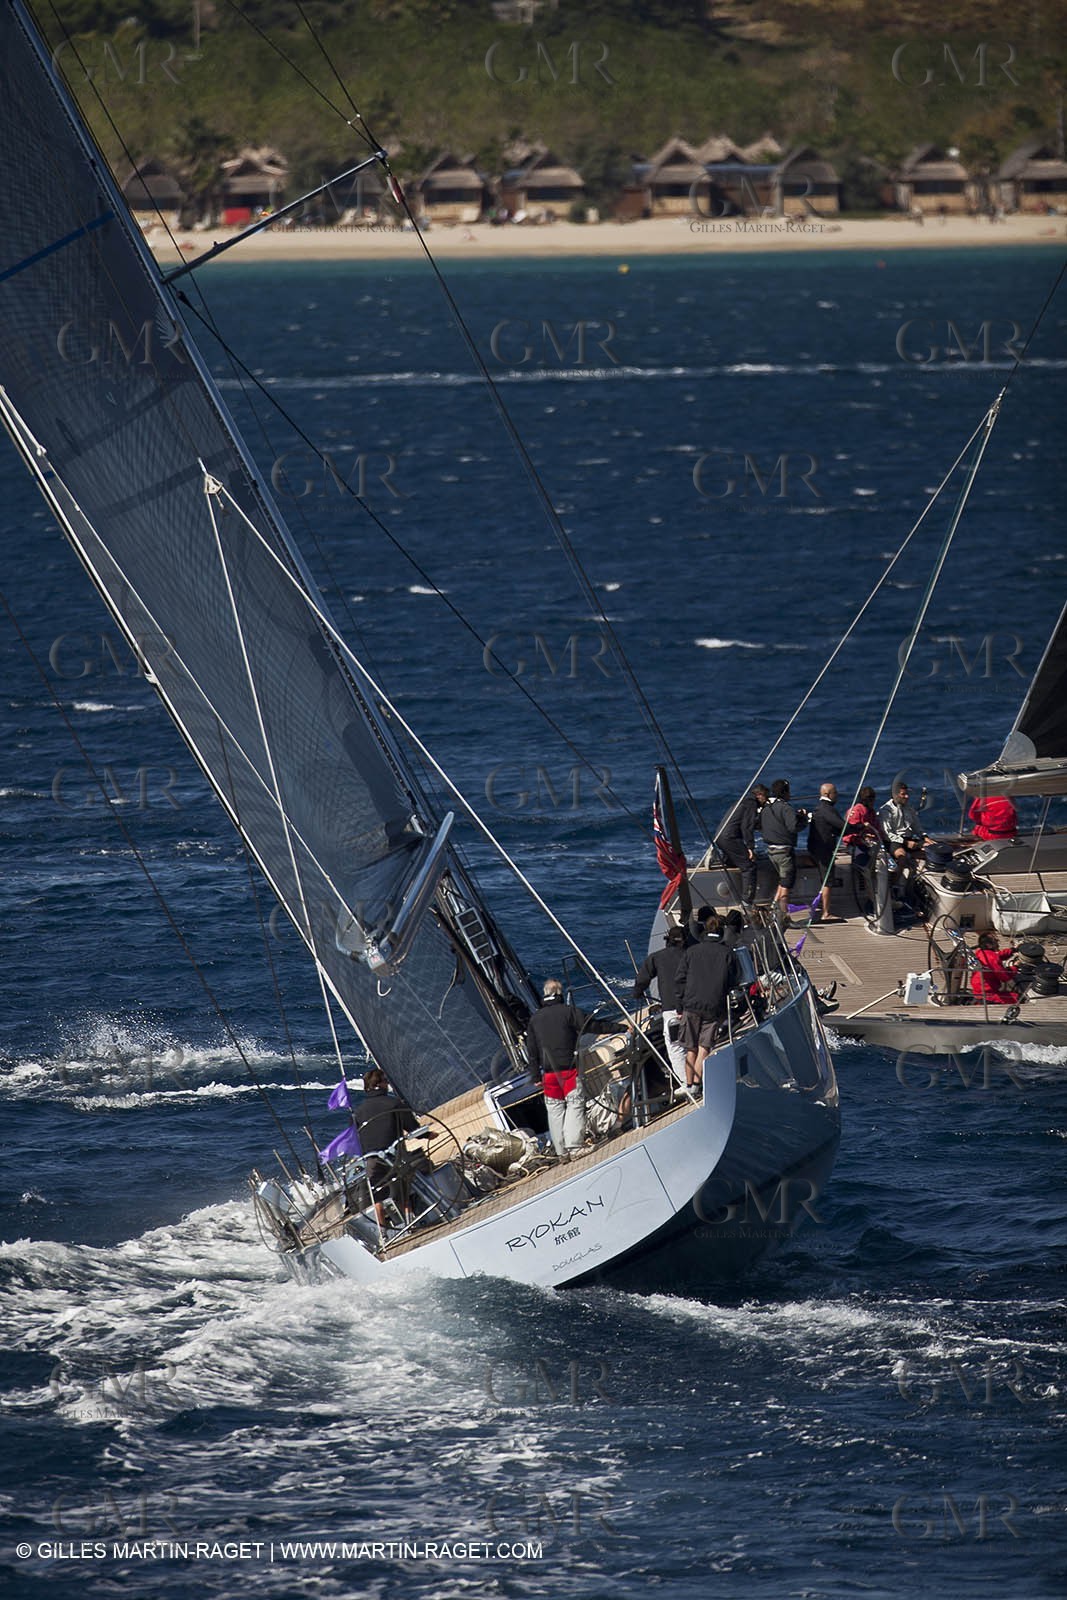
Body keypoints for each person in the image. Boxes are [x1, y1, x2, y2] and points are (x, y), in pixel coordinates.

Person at [525, 980, 625, 1161]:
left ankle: (561, 1152)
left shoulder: (535, 1019)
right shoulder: (568, 1012)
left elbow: (531, 1051)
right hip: (568, 1070)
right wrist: (621, 1028)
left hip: (548, 1073)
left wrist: (534, 1075)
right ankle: (574, 1146)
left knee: (555, 1110)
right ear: (560, 994)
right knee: (575, 1104)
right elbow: (594, 1026)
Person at [674, 913, 739, 1091]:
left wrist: (680, 1005)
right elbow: (734, 980)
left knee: (690, 1048)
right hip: (714, 1005)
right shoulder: (727, 953)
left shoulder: (691, 951)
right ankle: (696, 1084)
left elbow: (679, 979)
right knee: (704, 1047)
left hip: (691, 1004)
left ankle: (689, 1085)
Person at [355, 1067, 419, 1231]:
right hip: (394, 1156)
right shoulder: (394, 1103)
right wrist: (427, 1135)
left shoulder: (358, 1112)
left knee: (378, 1196)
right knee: (402, 1190)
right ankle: (411, 1224)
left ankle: (382, 1233)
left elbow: (354, 1137)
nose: (388, 1084)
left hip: (371, 1159)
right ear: (381, 1084)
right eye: (386, 1081)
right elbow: (412, 1128)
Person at [632, 924, 688, 1093]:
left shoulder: (657, 957)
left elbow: (642, 979)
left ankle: (687, 1083)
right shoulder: (690, 955)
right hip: (694, 1006)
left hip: (671, 1009)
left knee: (675, 1047)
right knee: (696, 1044)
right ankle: (700, 1076)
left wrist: (637, 992)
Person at [758, 779, 808, 922]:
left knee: (782, 880)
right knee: (787, 884)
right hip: (784, 852)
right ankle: (784, 917)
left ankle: (774, 909)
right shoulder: (786, 808)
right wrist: (803, 818)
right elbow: (793, 827)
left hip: (771, 851)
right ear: (785, 792)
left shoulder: (766, 808)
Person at [714, 783, 768, 908]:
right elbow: (746, 827)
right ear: (759, 795)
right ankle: (747, 901)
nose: (766, 800)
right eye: (766, 796)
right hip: (730, 838)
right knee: (749, 867)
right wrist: (750, 847)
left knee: (736, 861)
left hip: (720, 837)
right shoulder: (751, 804)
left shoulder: (743, 801)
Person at [843, 786, 887, 915]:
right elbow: (850, 831)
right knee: (868, 871)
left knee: (882, 867)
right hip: (856, 846)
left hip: (870, 845)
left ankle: (885, 897)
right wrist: (863, 835)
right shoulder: (856, 811)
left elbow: (877, 829)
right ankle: (872, 901)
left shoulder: (871, 812)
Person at [879, 781, 929, 888]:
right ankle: (894, 884)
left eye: (907, 794)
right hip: (894, 841)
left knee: (930, 851)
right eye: (903, 794)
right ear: (895, 795)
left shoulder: (909, 808)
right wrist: (906, 843)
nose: (907, 796)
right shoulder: (886, 810)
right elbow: (888, 834)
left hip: (909, 839)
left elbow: (916, 826)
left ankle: (919, 882)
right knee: (902, 856)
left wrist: (926, 838)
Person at [807, 782, 846, 922]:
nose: (837, 795)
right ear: (828, 794)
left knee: (826, 879)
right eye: (835, 792)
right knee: (828, 881)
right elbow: (841, 826)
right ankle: (826, 913)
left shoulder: (819, 809)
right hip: (823, 851)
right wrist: (858, 827)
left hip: (816, 849)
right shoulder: (826, 809)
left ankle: (825, 909)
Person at [970, 933, 1020, 1005]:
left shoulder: (980, 952)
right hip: (988, 995)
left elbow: (998, 955)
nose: (998, 942)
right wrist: (1015, 967)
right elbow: (1005, 976)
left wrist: (1012, 950)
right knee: (1019, 998)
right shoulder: (991, 958)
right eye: (996, 941)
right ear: (989, 945)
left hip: (979, 991)